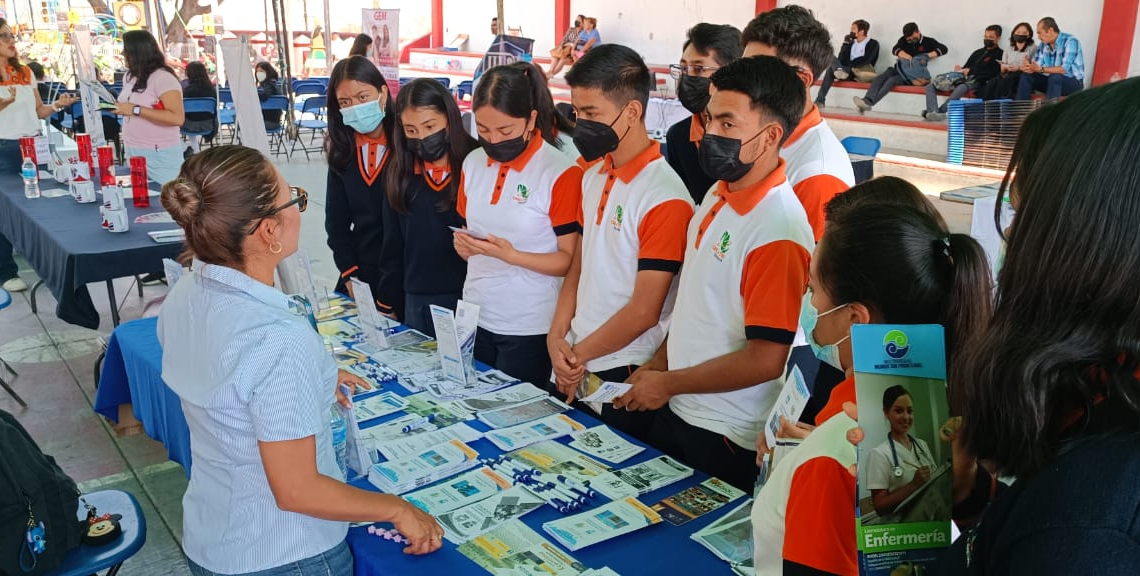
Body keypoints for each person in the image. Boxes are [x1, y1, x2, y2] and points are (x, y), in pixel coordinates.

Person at [158, 146, 443, 576]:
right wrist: (397, 510)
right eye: (292, 196)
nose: (299, 207)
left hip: (214, 535)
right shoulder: (276, 338)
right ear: (269, 230)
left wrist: (310, 379)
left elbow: (229, 388)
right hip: (285, 551)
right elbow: (297, 490)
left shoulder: (186, 292)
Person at [939, 78, 1140, 573]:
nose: (1011, 234)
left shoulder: (1088, 522)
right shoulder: (1095, 394)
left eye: (1022, 209)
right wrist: (971, 497)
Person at [750, 184, 993, 575]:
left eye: (813, 289)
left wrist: (816, 459)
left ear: (855, 318)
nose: (808, 305)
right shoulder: (939, 417)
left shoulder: (835, 455)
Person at [613, 56, 812, 492]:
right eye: (709, 118)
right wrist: (657, 368)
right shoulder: (718, 195)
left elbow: (766, 358)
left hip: (723, 433)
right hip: (678, 405)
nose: (708, 134)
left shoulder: (778, 231)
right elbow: (696, 307)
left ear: (770, 136)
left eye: (727, 123)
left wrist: (668, 383)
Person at [552, 45, 694, 442]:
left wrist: (577, 356)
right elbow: (579, 265)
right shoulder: (593, 174)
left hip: (622, 367)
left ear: (632, 112)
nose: (581, 124)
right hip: (578, 355)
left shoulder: (665, 197)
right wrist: (557, 336)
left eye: (592, 114)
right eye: (577, 113)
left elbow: (645, 310)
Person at [454, 62, 582, 391]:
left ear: (532, 119)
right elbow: (472, 235)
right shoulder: (472, 163)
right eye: (483, 130)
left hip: (529, 326)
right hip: (474, 316)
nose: (493, 140)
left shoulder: (560, 173)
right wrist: (465, 248)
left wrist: (512, 255)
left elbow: (568, 261)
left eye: (506, 131)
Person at [741, 5, 856, 240]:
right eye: (742, 68)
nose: (743, 82)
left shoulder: (818, 175)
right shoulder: (767, 136)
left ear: (801, 79)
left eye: (757, 71)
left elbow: (807, 273)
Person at [378, 78, 477, 335]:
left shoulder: (475, 163)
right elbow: (393, 244)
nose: (421, 137)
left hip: (469, 296)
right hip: (418, 300)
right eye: (411, 130)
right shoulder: (400, 173)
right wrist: (386, 300)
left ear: (449, 118)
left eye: (429, 126)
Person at [0, 18, 76, 293]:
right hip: (3, 147)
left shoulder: (25, 72)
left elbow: (38, 110)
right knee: (4, 210)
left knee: (42, 204)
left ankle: (47, 263)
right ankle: (5, 271)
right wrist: (4, 102)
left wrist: (57, 105)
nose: (11, 41)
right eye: (3, 36)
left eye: (11, 35)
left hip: (33, 144)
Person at [324, 57, 399, 314]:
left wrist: (388, 299)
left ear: (383, 93)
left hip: (403, 277)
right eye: (345, 102)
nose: (355, 107)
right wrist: (350, 276)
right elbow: (336, 224)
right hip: (358, 275)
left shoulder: (406, 144)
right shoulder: (343, 151)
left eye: (362, 96)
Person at [665, 23, 742, 205]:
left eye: (698, 69)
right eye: (683, 69)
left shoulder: (751, 137)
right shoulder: (678, 136)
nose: (688, 77)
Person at [113, 30, 185, 185]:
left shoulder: (163, 78)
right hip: (133, 149)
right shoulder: (130, 76)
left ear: (137, 52)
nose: (122, 53)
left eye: (126, 50)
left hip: (160, 153)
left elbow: (177, 118)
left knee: (168, 198)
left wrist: (135, 110)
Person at [866, 385, 943, 520]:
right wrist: (913, 484)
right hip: (902, 527)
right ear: (886, 412)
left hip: (930, 517)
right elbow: (879, 506)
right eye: (899, 411)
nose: (906, 417)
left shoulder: (921, 445)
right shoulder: (879, 454)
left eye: (910, 411)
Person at [853, 22, 947, 113]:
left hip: (911, 75)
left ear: (918, 32)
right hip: (899, 68)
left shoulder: (928, 41)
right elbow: (895, 49)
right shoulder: (903, 40)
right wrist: (906, 55)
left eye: (913, 38)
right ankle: (867, 99)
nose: (911, 41)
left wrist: (925, 56)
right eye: (909, 40)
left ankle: (868, 103)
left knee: (891, 81)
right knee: (881, 77)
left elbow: (943, 48)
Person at [923, 25, 1003, 121]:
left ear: (998, 38)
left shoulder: (1000, 54)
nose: (987, 39)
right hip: (962, 77)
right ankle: (933, 112)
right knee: (930, 86)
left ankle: (940, 112)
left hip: (977, 81)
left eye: (991, 37)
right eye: (985, 36)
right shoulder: (977, 52)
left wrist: (971, 71)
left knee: (961, 87)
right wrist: (960, 69)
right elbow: (966, 66)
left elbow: (993, 73)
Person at [1016, 17, 1084, 101]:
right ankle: (1022, 110)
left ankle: (1050, 112)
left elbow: (1063, 70)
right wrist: (1029, 67)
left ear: (1050, 30)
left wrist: (1041, 69)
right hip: (1052, 82)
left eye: (1040, 33)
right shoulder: (1043, 45)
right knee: (1027, 76)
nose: (1038, 37)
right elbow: (1037, 65)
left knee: (1055, 77)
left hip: (1073, 83)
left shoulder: (1070, 41)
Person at [815, 19, 879, 107]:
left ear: (861, 31)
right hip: (847, 72)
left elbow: (866, 60)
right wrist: (845, 44)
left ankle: (820, 100)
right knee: (830, 57)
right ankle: (820, 100)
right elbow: (841, 59)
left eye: (853, 29)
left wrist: (850, 64)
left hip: (860, 73)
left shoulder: (873, 43)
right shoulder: (851, 43)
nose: (851, 31)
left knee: (831, 69)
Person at [979, 22, 1036, 101]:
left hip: (1022, 75)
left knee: (1006, 82)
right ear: (1014, 33)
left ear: (1029, 35)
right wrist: (1004, 67)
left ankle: (1004, 107)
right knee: (992, 83)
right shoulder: (1009, 48)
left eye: (1024, 33)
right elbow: (1002, 69)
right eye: (1018, 32)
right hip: (1008, 74)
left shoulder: (1033, 48)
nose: (1020, 34)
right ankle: (988, 108)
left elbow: (1033, 67)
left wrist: (1019, 68)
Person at [182, 61, 216, 153]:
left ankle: (193, 149)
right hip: (208, 125)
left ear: (189, 74)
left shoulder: (186, 91)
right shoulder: (212, 90)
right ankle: (196, 150)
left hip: (189, 126)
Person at [255, 61, 283, 131]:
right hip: (275, 122)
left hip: (268, 123)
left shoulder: (268, 84)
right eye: (257, 72)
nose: (259, 74)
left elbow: (265, 96)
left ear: (268, 72)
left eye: (261, 71)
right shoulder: (273, 83)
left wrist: (252, 94)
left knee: (240, 121)